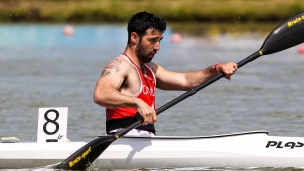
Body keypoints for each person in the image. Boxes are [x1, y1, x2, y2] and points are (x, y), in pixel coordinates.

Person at [94, 11, 238, 136]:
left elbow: (187, 81)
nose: (157, 47)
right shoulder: (120, 65)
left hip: (145, 139)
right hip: (122, 138)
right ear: (134, 38)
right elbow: (101, 94)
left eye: (159, 40)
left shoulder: (151, 69)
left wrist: (216, 68)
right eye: (152, 40)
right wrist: (138, 103)